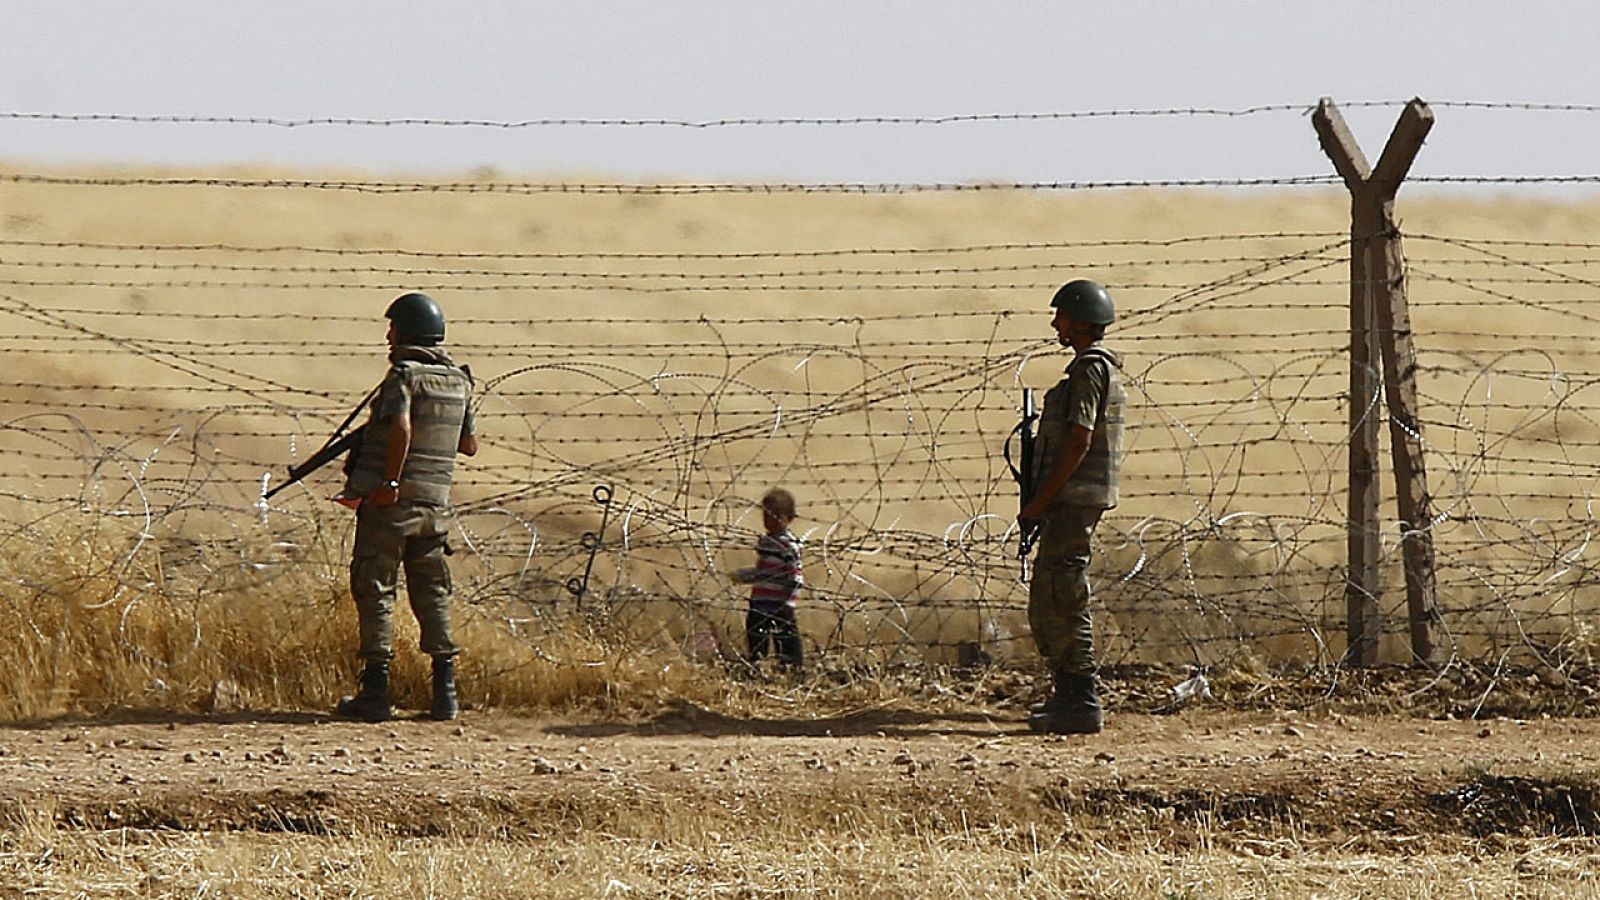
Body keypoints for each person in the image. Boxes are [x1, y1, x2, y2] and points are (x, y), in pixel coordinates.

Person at [335, 291, 478, 723]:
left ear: (407, 333)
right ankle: (444, 692)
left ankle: (375, 692)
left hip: (392, 506)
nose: (387, 335)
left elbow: (401, 426)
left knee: (375, 588)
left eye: (393, 328)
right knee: (432, 592)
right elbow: (468, 445)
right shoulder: (458, 381)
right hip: (433, 506)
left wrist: (391, 481)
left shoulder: (404, 376)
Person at [1017, 279, 1126, 735]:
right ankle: (1069, 692)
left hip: (1071, 499)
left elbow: (1080, 440)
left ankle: (1082, 699)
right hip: (1072, 499)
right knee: (1052, 590)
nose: (1055, 323)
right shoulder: (1091, 368)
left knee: (1064, 592)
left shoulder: (1089, 371)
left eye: (1061, 315)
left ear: (1080, 321)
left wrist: (1040, 502)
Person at [731, 488, 805, 671]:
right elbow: (764, 572)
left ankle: (792, 670)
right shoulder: (766, 542)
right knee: (756, 638)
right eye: (766, 515)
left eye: (775, 516)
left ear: (790, 518)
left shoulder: (788, 545)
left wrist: (789, 603)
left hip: (779, 605)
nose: (769, 520)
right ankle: (757, 668)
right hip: (759, 602)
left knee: (786, 640)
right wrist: (743, 576)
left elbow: (795, 576)